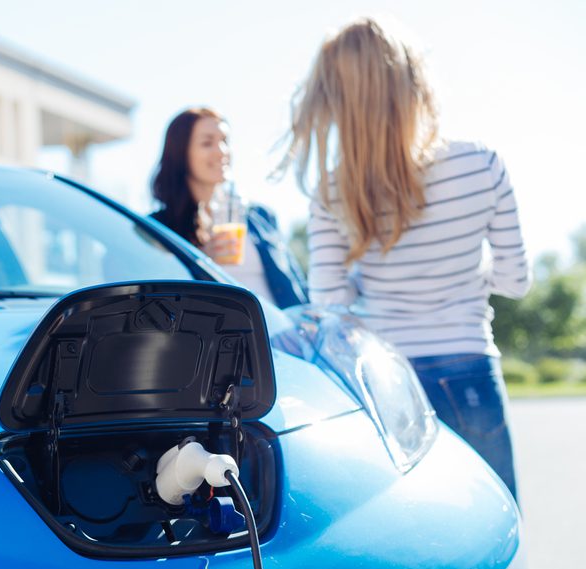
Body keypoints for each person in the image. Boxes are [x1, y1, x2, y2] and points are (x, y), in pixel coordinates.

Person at [278, 18, 530, 499]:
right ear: (414, 80)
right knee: (497, 523)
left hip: (388, 383)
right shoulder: (481, 164)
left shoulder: (332, 191)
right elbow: (516, 282)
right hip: (469, 365)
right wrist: (470, 275)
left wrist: (367, 282)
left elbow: (330, 307)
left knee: (418, 532)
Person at [150, 107, 308, 308]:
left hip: (279, 333)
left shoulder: (259, 216)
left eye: (224, 141)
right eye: (207, 143)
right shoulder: (159, 228)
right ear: (181, 153)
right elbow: (159, 299)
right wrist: (202, 261)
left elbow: (296, 282)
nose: (221, 152)